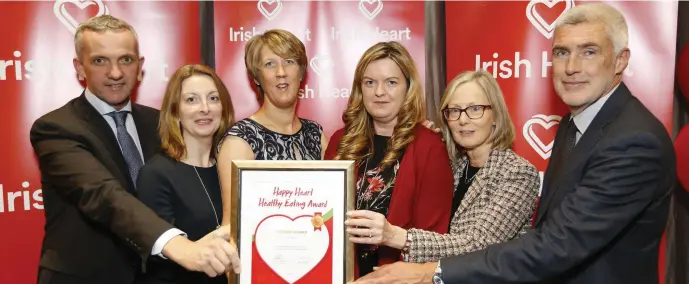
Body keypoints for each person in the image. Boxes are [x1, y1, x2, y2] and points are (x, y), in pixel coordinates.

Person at [352, 3, 676, 284]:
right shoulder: (571, 125)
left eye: (589, 52)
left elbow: (553, 244)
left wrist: (423, 268)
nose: (572, 67)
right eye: (562, 53)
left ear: (620, 61)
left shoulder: (634, 141)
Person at [30, 15, 239, 284]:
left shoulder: (159, 123)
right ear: (80, 68)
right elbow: (104, 195)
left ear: (140, 67)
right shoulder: (55, 128)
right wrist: (181, 246)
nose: (115, 72)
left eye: (126, 60)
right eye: (99, 60)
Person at [345, 70, 539, 264]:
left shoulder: (517, 173)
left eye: (475, 109)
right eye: (454, 111)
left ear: (495, 115)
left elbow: (479, 246)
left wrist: (396, 236)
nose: (463, 119)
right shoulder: (449, 164)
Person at [327, 41, 454, 277]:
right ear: (359, 88)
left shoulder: (429, 147)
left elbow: (433, 237)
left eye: (391, 82)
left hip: (397, 278)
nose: (379, 92)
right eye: (370, 82)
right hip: (340, 274)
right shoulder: (340, 141)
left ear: (408, 87)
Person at [134, 64, 235, 284]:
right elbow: (157, 260)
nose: (205, 108)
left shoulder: (232, 170)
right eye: (191, 100)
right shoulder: (156, 174)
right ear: (175, 112)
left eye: (213, 98)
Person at [217, 29, 328, 226]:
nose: (281, 72)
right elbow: (232, 225)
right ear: (257, 78)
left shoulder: (315, 133)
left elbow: (329, 207)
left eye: (289, 62)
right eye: (270, 64)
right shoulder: (240, 140)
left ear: (301, 72)